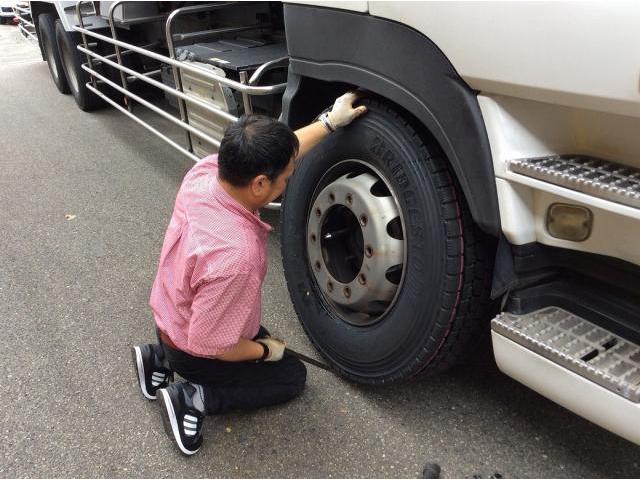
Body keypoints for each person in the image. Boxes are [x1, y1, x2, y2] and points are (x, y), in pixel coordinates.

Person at [132, 92, 367, 455]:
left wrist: (329, 123)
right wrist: (261, 352)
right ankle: (194, 397)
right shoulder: (236, 257)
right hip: (195, 347)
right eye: (285, 179)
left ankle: (157, 356)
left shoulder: (207, 172)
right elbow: (215, 346)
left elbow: (279, 155)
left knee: (262, 341)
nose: (288, 182)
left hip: (169, 315)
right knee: (291, 376)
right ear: (259, 184)